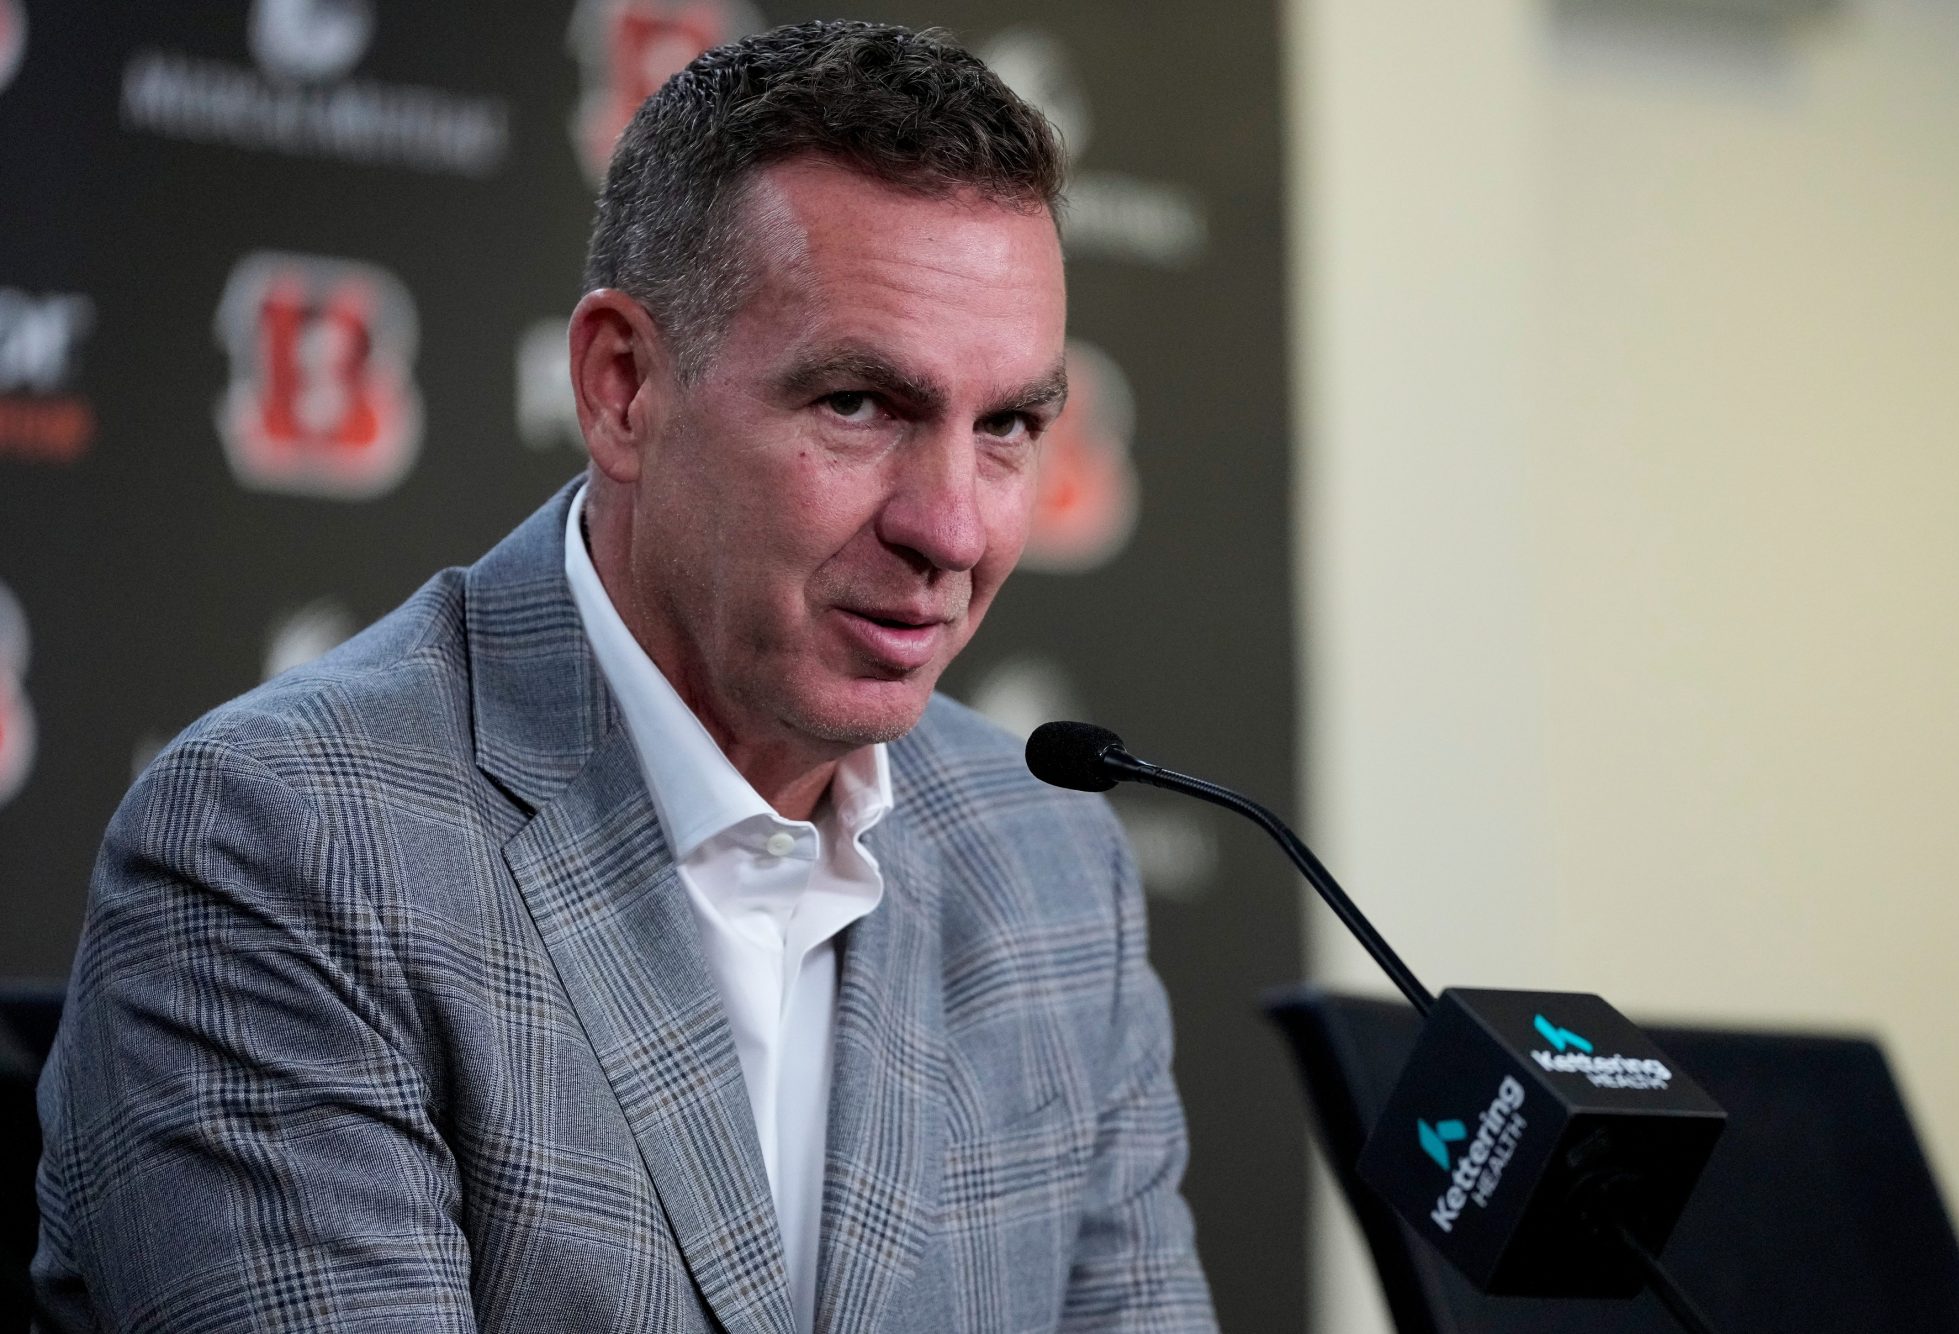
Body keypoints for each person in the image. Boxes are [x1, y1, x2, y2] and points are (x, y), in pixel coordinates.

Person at [32, 20, 1216, 1333]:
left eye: (1007, 426)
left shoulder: (1054, 864)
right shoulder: (282, 848)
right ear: (623, 387)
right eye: (859, 405)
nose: (953, 527)